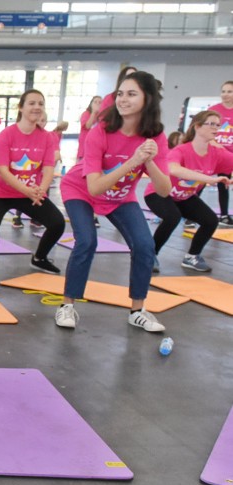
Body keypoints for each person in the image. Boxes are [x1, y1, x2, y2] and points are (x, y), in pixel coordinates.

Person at [55, 71, 171, 333]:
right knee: (87, 240)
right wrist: (133, 161)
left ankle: (137, 310)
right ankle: (67, 305)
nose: (122, 99)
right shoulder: (101, 131)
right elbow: (94, 187)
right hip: (80, 190)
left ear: (147, 99)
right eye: (120, 93)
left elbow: (164, 190)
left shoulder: (156, 137)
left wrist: (149, 160)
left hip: (120, 197)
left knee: (144, 245)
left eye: (131, 94)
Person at [0, 89, 65, 275]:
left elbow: (48, 168)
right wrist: (26, 190)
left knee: (57, 223)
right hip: (1, 192)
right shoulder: (7, 134)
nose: (37, 107)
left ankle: (39, 258)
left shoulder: (47, 137)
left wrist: (40, 191)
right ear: (21, 107)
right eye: (32, 103)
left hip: (30, 192)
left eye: (40, 103)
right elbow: (2, 170)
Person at [145, 111, 231, 272]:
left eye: (217, 124)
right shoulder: (182, 150)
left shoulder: (217, 153)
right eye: (210, 124)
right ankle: (149, 255)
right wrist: (209, 179)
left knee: (210, 220)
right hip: (159, 193)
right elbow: (173, 169)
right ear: (197, 127)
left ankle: (192, 256)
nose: (216, 128)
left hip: (184, 197)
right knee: (172, 217)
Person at [208, 80, 233, 226]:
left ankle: (224, 215)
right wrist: (217, 146)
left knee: (223, 184)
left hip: (228, 157)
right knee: (200, 181)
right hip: (212, 152)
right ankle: (190, 215)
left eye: (229, 91)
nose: (226, 95)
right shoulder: (214, 111)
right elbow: (204, 132)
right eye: (223, 91)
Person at [78, 96, 102, 161]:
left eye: (100, 102)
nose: (97, 103)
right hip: (85, 146)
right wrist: (93, 112)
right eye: (95, 102)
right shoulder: (86, 114)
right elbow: (87, 126)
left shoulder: (102, 116)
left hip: (96, 146)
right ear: (91, 104)